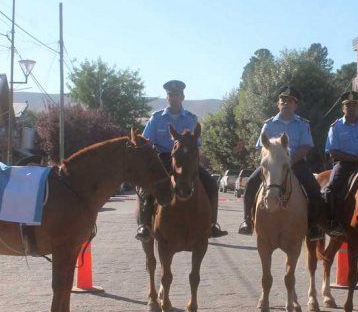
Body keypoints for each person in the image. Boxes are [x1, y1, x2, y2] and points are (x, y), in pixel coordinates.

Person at [135, 80, 227, 242]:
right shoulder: (156, 118)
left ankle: (212, 225)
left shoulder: (191, 119)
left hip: (187, 160)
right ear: (167, 98)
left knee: (211, 184)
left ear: (182, 96)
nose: (174, 97)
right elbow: (146, 140)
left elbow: (197, 144)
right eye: (171, 95)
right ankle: (145, 225)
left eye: (177, 94)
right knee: (148, 187)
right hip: (163, 158)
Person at [237, 85, 324, 241]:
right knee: (250, 183)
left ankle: (313, 226)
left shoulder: (302, 124)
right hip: (271, 166)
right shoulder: (269, 124)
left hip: (296, 163)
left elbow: (305, 146)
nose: (286, 103)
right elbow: (260, 146)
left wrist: (289, 161)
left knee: (314, 188)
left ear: (295, 105)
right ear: (278, 104)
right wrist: (271, 162)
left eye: (290, 101)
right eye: (283, 100)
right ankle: (247, 221)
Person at [323, 90, 358, 237]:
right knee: (330, 188)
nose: (351, 108)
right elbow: (333, 152)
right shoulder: (336, 127)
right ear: (343, 108)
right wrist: (356, 158)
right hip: (344, 165)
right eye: (348, 106)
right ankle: (333, 221)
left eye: (354, 105)